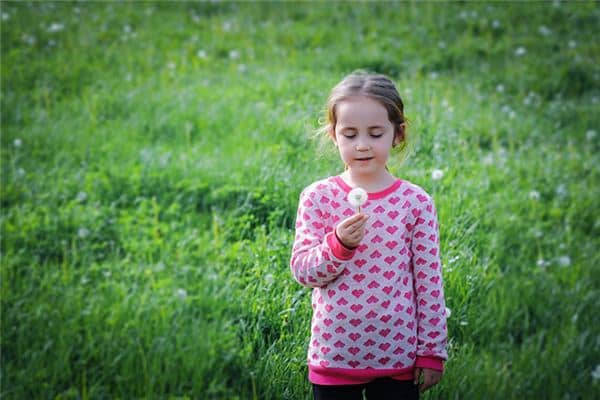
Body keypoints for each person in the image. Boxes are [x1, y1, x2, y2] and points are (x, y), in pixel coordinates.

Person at [289, 71, 448, 400]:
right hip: (335, 354)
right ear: (334, 136)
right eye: (350, 134)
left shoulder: (415, 203)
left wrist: (432, 351)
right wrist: (339, 246)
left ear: (397, 135)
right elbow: (303, 272)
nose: (362, 145)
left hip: (398, 357)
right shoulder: (318, 197)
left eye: (375, 134)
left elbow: (429, 281)